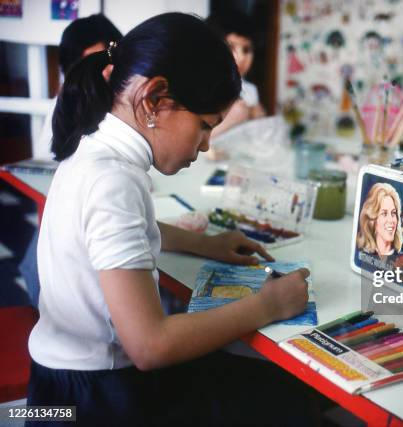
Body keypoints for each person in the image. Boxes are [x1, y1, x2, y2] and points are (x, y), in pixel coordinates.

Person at [26, 13, 317, 426]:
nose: (205, 144)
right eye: (203, 126)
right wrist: (267, 305)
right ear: (155, 100)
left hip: (57, 385)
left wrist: (205, 243)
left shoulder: (93, 147)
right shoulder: (114, 181)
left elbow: (109, 233)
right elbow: (150, 346)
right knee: (274, 394)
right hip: (94, 401)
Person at [19, 14, 123, 308]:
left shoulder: (125, 105)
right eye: (90, 63)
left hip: (107, 212)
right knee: (39, 270)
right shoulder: (65, 107)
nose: (102, 73)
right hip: (75, 213)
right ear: (70, 68)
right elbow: (46, 161)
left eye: (107, 62)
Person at [33, 14, 122, 160]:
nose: (107, 71)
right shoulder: (65, 103)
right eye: (93, 64)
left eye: (109, 60)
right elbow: (44, 158)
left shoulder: (131, 99)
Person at [205, 9, 266, 138]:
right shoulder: (202, 86)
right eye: (231, 47)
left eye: (247, 49)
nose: (242, 57)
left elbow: (258, 135)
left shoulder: (250, 90)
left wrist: (258, 118)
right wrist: (234, 118)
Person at [356, 183, 403, 258]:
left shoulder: (402, 259)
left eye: (393, 213)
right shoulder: (362, 254)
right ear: (372, 220)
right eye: (384, 214)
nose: (391, 220)